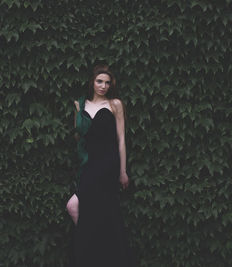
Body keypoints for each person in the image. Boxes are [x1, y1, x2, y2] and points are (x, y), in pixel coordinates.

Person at [66, 65, 133, 267]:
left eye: (107, 82)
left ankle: (96, 254)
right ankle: (100, 254)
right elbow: (78, 136)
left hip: (108, 163)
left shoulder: (115, 104)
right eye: (99, 81)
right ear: (92, 82)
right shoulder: (80, 106)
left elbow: (121, 139)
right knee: (77, 207)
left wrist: (122, 171)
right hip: (89, 162)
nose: (103, 86)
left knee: (81, 206)